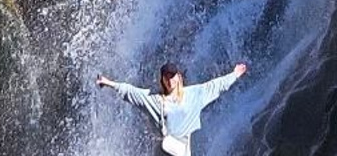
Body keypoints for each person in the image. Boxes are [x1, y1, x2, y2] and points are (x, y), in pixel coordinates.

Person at [96, 60, 248, 154]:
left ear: (179, 77)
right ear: (162, 80)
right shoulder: (154, 99)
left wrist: (234, 74)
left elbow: (215, 86)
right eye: (166, 77)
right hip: (164, 151)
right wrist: (108, 83)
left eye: (172, 76)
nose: (170, 80)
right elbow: (131, 91)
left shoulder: (193, 95)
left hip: (182, 151)